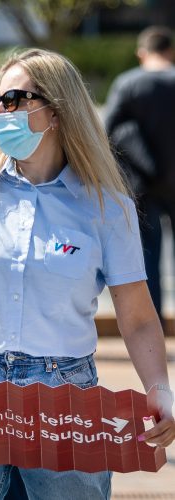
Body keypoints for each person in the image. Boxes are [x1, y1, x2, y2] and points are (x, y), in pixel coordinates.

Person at [0, 48, 175, 499]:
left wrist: (159, 388)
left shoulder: (107, 207)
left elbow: (138, 316)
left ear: (57, 109)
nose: (2, 111)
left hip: (67, 401)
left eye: (15, 99)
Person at [104, 25, 175, 323]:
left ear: (141, 53)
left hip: (140, 185)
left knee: (147, 258)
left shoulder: (128, 83)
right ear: (170, 50)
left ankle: (153, 327)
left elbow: (108, 132)